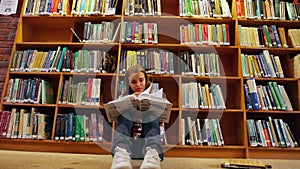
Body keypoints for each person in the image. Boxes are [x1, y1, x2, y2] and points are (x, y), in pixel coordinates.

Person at [110, 64, 164, 169]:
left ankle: (153, 153)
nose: (138, 85)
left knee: (151, 114)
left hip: (147, 145)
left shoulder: (155, 98)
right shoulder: (123, 98)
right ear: (128, 84)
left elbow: (161, 123)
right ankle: (121, 153)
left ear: (146, 80)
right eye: (133, 82)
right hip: (128, 144)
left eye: (141, 80)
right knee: (125, 114)